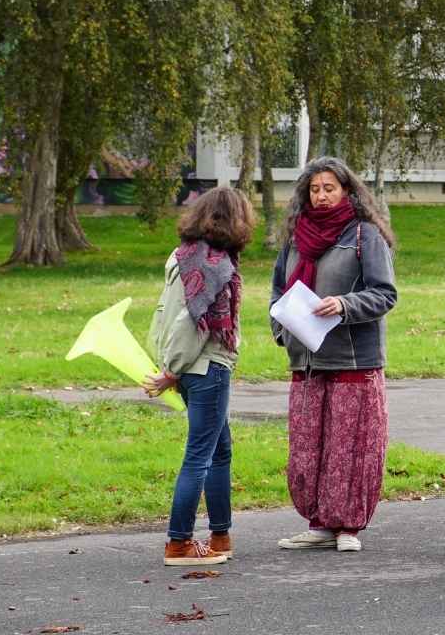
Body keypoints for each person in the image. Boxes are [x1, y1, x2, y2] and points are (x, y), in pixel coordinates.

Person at [271, 157, 399, 554]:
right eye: (314, 189)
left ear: (346, 191)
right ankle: (319, 523)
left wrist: (344, 305)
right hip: (306, 361)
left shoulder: (364, 235)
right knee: (309, 449)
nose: (322, 195)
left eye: (329, 188)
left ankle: (348, 526)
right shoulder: (295, 238)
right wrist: (281, 329)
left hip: (353, 361)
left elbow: (384, 293)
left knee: (351, 447)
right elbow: (278, 293)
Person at [144, 187, 256, 566]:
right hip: (207, 367)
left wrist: (171, 364)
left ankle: (221, 535)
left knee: (219, 450)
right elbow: (191, 322)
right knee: (200, 457)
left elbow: (163, 313)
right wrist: (170, 371)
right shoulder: (216, 266)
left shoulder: (183, 256)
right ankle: (179, 544)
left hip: (192, 367)